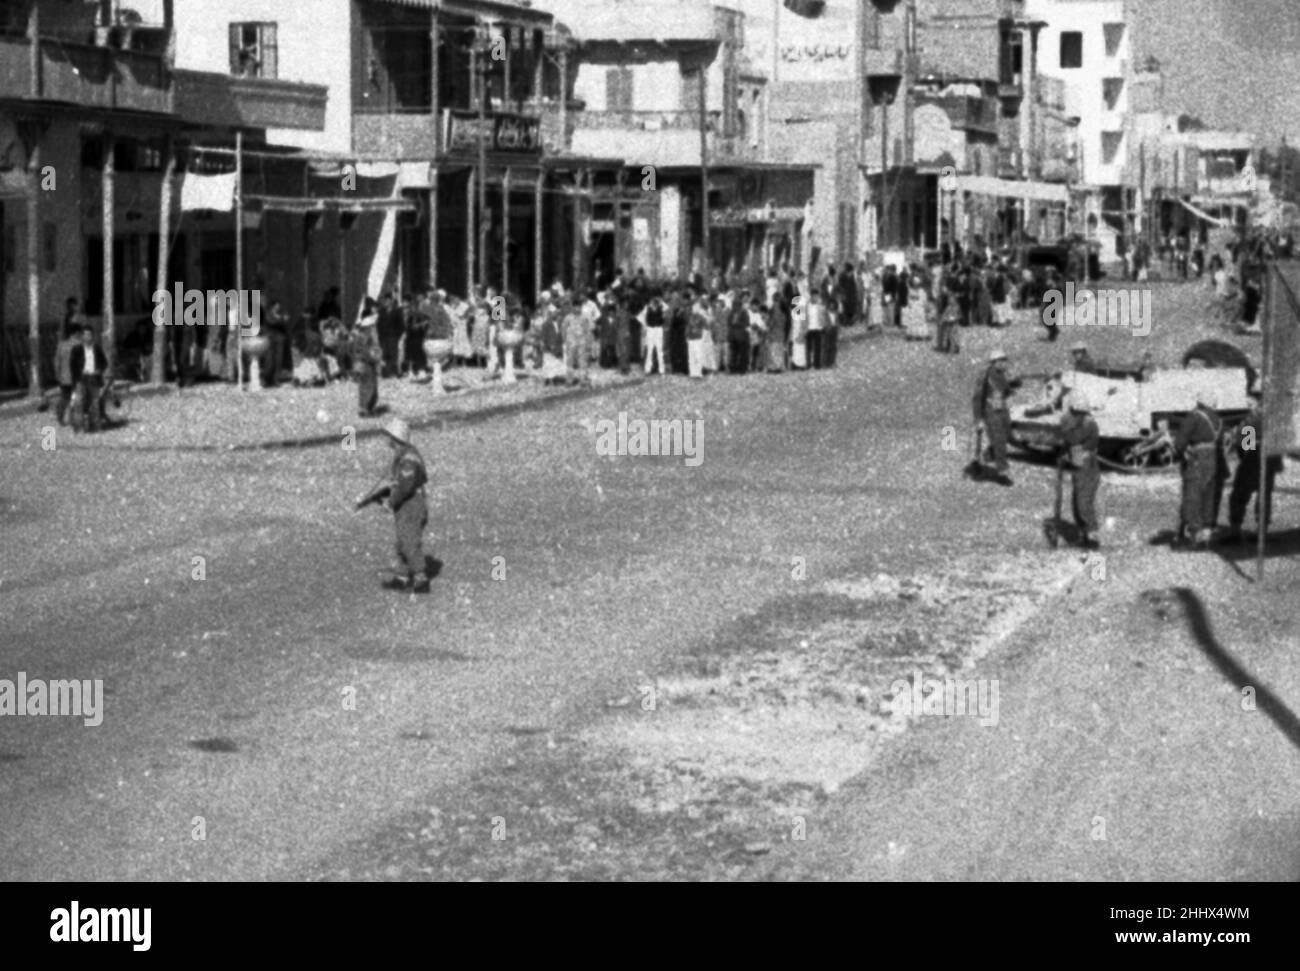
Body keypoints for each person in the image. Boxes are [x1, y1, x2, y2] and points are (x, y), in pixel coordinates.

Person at [369, 418, 430, 594]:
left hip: (411, 503)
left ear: (395, 437)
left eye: (388, 436)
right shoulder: (403, 454)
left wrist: (391, 501)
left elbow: (405, 486)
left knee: (409, 541)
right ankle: (402, 577)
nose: (386, 439)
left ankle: (420, 578)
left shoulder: (408, 460)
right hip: (408, 503)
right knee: (402, 540)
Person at [1227, 381, 1284, 543]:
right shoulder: (1277, 413)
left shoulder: (1256, 414)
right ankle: (1262, 531)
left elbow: (1246, 442)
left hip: (1254, 458)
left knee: (1239, 494)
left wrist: (1238, 437)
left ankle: (1235, 531)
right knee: (1264, 495)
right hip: (1272, 458)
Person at [1173, 390, 1224, 548]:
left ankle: (1196, 534)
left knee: (1193, 494)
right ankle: (1208, 530)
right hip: (1215, 458)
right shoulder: (1219, 419)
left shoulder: (1194, 416)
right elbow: (1242, 437)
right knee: (1209, 494)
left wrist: (1247, 451)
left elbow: (1179, 442)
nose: (1250, 402)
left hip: (1198, 458)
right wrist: (1247, 451)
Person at [971, 349, 1021, 486]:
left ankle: (984, 457)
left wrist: (1013, 387)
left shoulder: (1001, 375)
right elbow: (977, 398)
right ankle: (1002, 472)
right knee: (1000, 442)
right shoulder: (985, 376)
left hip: (1003, 411)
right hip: (991, 413)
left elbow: (1004, 390)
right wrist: (978, 419)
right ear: (994, 362)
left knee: (1005, 438)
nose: (1004, 363)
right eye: (1001, 361)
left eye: (1005, 360)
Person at [1059, 391, 1102, 548]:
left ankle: (1092, 538)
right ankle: (1085, 536)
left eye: (1073, 411)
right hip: (1079, 467)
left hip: (1087, 468)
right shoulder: (1079, 421)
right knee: (1077, 505)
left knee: (1083, 504)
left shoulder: (1088, 424)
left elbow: (1073, 438)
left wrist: (1064, 426)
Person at [68, 324, 108, 433]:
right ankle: (79, 428)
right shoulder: (77, 349)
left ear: (93, 336)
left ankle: (95, 426)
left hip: (94, 378)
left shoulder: (97, 348)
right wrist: (78, 375)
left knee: (94, 403)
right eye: (85, 335)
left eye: (89, 335)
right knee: (79, 403)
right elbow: (72, 365)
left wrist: (98, 371)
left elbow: (104, 363)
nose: (87, 337)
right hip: (81, 379)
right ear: (82, 336)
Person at [351, 297, 383, 417]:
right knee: (370, 386)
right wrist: (377, 359)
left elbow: (354, 348)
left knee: (363, 385)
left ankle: (363, 407)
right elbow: (372, 348)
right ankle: (366, 408)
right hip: (368, 362)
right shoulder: (370, 332)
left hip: (359, 362)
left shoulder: (359, 331)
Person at [54, 300, 83, 424]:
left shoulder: (62, 345)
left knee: (65, 396)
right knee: (77, 395)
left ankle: (61, 414)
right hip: (76, 377)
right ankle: (74, 417)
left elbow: (56, 361)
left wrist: (57, 375)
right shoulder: (79, 345)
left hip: (64, 377)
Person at [642, 293, 667, 375]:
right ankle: (647, 369)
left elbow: (667, 308)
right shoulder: (647, 308)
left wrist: (661, 301)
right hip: (650, 329)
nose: (654, 300)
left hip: (658, 329)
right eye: (652, 299)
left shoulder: (661, 307)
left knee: (659, 349)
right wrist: (644, 329)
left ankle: (661, 370)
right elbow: (643, 318)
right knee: (650, 350)